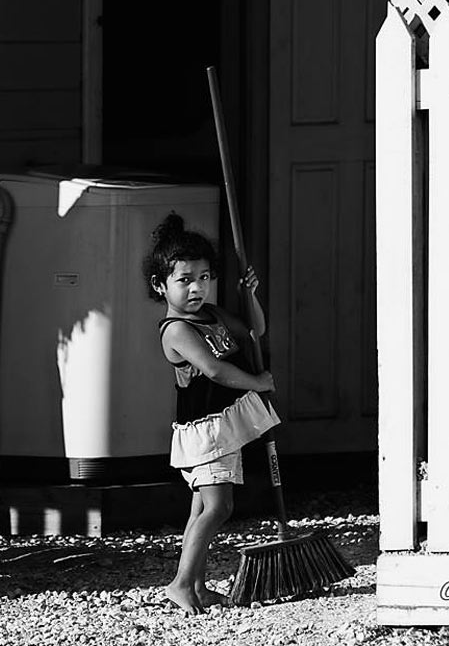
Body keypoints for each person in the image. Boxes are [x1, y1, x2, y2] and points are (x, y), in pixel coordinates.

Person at [142, 212, 280, 614]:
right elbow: (215, 369)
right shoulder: (176, 330)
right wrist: (259, 383)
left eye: (203, 277)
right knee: (219, 507)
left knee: (202, 509)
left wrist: (250, 295)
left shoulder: (213, 315)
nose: (196, 288)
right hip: (206, 432)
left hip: (223, 427)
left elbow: (254, 332)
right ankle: (181, 583)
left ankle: (197, 585)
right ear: (160, 285)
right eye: (184, 280)